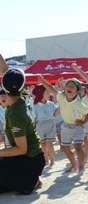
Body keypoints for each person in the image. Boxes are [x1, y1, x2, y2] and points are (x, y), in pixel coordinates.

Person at [0, 56, 45, 195]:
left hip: (30, 160)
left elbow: (21, 149)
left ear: (3, 87)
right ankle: (22, 180)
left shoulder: (15, 114)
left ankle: (30, 183)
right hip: (34, 156)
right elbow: (6, 72)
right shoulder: (22, 95)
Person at [39, 76, 88, 172]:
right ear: (64, 88)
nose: (70, 87)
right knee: (65, 148)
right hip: (65, 127)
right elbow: (51, 90)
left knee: (78, 147)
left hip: (77, 128)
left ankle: (81, 167)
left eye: (73, 86)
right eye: (68, 85)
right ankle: (74, 166)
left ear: (77, 91)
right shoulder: (61, 97)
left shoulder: (78, 103)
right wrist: (43, 81)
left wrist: (84, 122)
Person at [31, 84, 60, 166]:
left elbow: (54, 114)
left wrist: (60, 107)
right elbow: (34, 118)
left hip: (50, 123)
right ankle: (46, 160)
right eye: (47, 93)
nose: (49, 94)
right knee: (43, 144)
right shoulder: (35, 106)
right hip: (40, 125)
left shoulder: (51, 104)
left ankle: (52, 160)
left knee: (49, 143)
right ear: (41, 94)